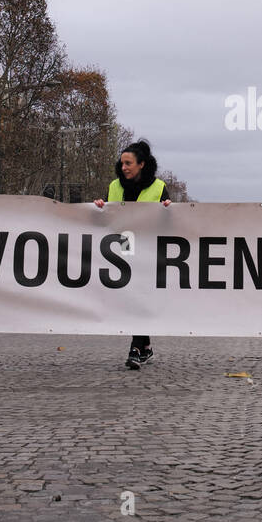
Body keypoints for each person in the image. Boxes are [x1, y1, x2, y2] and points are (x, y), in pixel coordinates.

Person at [93, 140, 170, 369]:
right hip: (123, 249)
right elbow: (108, 216)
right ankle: (145, 347)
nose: (124, 167)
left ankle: (136, 349)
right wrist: (99, 205)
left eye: (129, 163)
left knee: (140, 297)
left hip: (148, 250)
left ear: (142, 165)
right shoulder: (115, 186)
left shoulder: (159, 187)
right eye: (122, 163)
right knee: (132, 298)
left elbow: (169, 219)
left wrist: (169, 207)